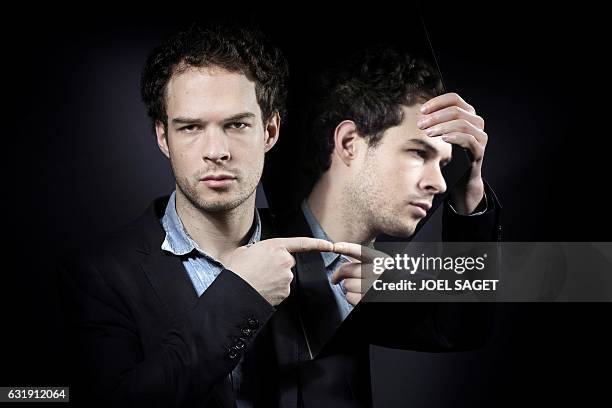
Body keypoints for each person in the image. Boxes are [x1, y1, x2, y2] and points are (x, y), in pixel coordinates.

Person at [57, 24, 337, 407]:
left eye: (237, 124)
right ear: (162, 137)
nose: (216, 150)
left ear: (270, 130)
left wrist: (453, 183)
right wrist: (240, 295)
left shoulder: (318, 243)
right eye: (191, 127)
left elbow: (443, 329)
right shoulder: (97, 275)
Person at [273, 46, 502, 406]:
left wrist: (470, 183)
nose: (439, 184)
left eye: (444, 165)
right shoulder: (254, 244)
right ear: (349, 143)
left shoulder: (376, 277)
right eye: (418, 153)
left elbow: (462, 329)